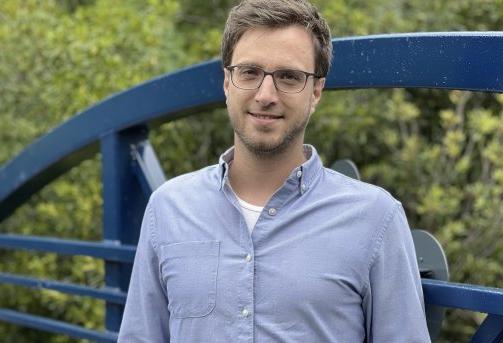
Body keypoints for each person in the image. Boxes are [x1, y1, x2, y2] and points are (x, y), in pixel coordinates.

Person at [118, 0, 430, 341]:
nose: (266, 95)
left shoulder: (376, 219)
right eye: (249, 72)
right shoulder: (168, 208)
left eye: (288, 77)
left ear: (316, 91)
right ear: (227, 82)